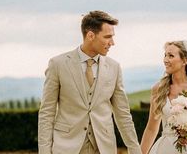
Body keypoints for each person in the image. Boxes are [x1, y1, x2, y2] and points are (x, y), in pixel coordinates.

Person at [38, 10, 141, 154]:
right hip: (67, 147)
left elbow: (122, 113)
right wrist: (44, 151)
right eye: (107, 37)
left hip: (103, 147)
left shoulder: (114, 67)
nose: (112, 42)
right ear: (90, 35)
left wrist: (135, 148)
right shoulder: (58, 64)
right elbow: (46, 113)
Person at [140, 41, 187, 154]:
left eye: (171, 56)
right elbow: (151, 128)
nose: (165, 60)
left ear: (185, 60)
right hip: (165, 149)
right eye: (165, 55)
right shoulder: (158, 89)